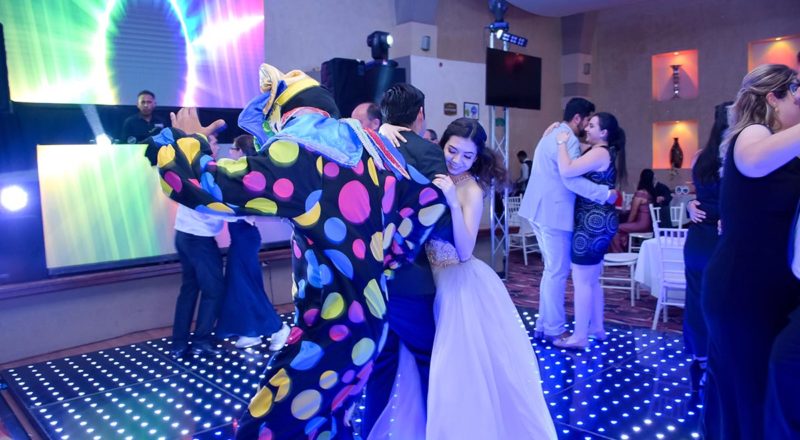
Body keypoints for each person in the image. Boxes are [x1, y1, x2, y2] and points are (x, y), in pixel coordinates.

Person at [145, 65, 450, 439]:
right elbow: (428, 201)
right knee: (327, 424)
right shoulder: (366, 152)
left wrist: (184, 139)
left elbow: (203, 186)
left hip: (331, 328)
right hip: (368, 321)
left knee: (265, 428)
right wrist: (385, 261)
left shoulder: (303, 153)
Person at [369, 118, 557, 438]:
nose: (457, 160)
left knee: (455, 367)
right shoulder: (433, 173)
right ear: (441, 145)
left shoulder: (471, 189)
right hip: (429, 280)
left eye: (467, 156)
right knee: (428, 366)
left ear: (476, 158)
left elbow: (466, 250)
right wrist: (384, 130)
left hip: (458, 282)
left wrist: (453, 203)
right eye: (452, 150)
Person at [703, 64, 800, 439]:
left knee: (761, 396)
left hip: (771, 287)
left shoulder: (786, 149)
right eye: (796, 98)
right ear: (772, 98)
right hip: (742, 289)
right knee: (746, 397)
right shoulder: (754, 133)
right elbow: (756, 161)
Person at [361, 83, 452, 436]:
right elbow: (439, 220)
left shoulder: (364, 146)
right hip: (412, 276)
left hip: (369, 275)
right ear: (420, 115)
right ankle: (434, 431)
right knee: (430, 359)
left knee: (380, 365)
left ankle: (372, 432)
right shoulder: (427, 151)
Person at [518, 98, 615, 342]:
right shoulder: (567, 139)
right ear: (577, 118)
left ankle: (543, 324)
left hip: (538, 210)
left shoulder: (552, 134)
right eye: (587, 121)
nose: (587, 127)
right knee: (558, 272)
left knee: (551, 270)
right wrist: (604, 194)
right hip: (554, 213)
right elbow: (569, 178)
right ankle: (554, 328)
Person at [551, 112, 626, 349]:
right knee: (592, 280)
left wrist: (560, 142)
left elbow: (567, 170)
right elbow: (580, 148)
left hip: (592, 224)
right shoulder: (602, 151)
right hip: (600, 221)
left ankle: (580, 336)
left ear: (604, 132)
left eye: (592, 125)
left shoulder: (599, 152)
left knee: (582, 280)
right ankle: (597, 328)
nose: (586, 128)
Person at [214, 134, 290, 350]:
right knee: (243, 284)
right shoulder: (241, 174)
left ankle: (278, 328)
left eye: (233, 149)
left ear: (241, 151)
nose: (230, 152)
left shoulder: (247, 176)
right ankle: (250, 331)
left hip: (245, 236)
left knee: (245, 285)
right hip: (241, 236)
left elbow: (245, 207)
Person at [682, 101, 731, 391]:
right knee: (721, 301)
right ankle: (716, 360)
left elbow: (697, 193)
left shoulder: (700, 156)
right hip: (721, 237)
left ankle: (701, 357)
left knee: (697, 298)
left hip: (698, 238)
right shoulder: (739, 155)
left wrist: (691, 204)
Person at [168, 133, 226, 358]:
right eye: (214, 142)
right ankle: (201, 341)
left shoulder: (188, 166)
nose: (217, 146)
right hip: (199, 238)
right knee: (213, 290)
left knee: (189, 289)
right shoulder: (206, 169)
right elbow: (215, 206)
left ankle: (179, 343)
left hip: (184, 235)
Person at [609, 169, 656, 253]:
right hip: (648, 225)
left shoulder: (640, 194)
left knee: (614, 228)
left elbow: (633, 213)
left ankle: (618, 253)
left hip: (641, 224)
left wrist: (628, 223)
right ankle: (623, 247)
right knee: (622, 229)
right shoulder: (650, 194)